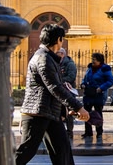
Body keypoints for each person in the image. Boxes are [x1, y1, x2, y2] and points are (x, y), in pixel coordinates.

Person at [15, 24, 90, 165]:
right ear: (59, 39)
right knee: (26, 151)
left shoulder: (48, 57)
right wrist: (78, 107)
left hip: (49, 112)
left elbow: (55, 88)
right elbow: (55, 87)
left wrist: (66, 108)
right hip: (37, 112)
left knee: (62, 151)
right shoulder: (43, 58)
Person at [80, 52, 113, 139]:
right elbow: (85, 78)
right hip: (88, 93)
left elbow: (110, 81)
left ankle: (99, 131)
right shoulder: (89, 68)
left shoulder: (105, 69)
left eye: (94, 60)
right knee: (86, 112)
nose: (93, 61)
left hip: (98, 94)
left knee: (98, 112)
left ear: (100, 61)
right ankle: (88, 132)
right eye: (92, 59)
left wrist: (101, 88)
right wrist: (83, 84)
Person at [57, 48, 78, 137]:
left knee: (69, 111)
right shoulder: (57, 63)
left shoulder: (70, 64)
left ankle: (69, 131)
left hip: (68, 91)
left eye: (57, 53)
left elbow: (71, 77)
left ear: (62, 54)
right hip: (59, 91)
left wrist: (59, 81)